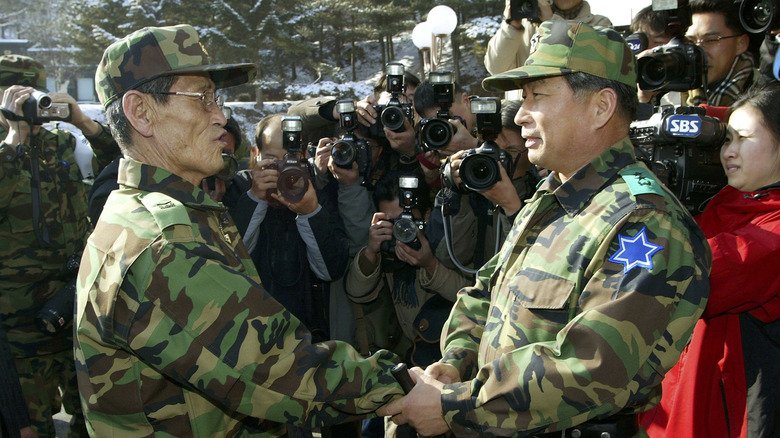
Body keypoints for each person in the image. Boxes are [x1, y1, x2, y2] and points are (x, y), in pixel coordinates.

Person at [378, 20, 712, 437]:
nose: (520, 115)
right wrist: (454, 363)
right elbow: (485, 293)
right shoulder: (554, 194)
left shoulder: (645, 221)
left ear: (601, 107)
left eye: (538, 96)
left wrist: (455, 406)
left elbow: (591, 367)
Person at [74, 24, 403, 437]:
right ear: (141, 112)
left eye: (218, 99)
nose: (221, 116)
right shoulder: (162, 240)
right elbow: (277, 369)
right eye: (203, 99)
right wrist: (406, 385)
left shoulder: (160, 212)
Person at [640, 83, 780, 438]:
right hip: (677, 396)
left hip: (730, 412)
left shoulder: (772, 230)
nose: (728, 152)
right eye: (726, 139)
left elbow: (687, 274)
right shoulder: (728, 203)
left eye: (743, 139)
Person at [0, 54, 118, 438]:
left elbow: (121, 164)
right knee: (28, 427)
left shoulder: (62, 144)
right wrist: (14, 139)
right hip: (17, 323)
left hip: (74, 307)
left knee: (96, 420)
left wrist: (83, 122)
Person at [484, 0, 611, 99]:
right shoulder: (526, 28)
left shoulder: (599, 24)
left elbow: (588, 67)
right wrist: (512, 26)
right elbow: (496, 68)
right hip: (529, 114)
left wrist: (551, 22)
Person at [683, 0, 756, 106]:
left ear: (741, 44)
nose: (698, 52)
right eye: (690, 42)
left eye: (711, 40)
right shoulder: (674, 94)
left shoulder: (765, 93)